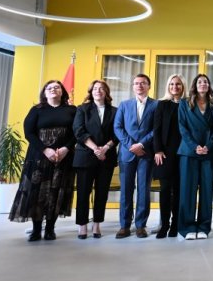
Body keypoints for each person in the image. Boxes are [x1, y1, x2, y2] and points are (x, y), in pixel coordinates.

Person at [9, 80, 77, 241]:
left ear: (62, 91)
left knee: (56, 192)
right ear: (45, 93)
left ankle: (50, 229)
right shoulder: (37, 110)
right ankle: (36, 229)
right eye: (49, 88)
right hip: (39, 157)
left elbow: (77, 132)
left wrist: (66, 148)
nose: (53, 89)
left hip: (63, 157)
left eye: (57, 87)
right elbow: (29, 133)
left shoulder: (72, 110)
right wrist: (45, 150)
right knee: (37, 192)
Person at [72, 80, 118, 239]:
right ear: (91, 92)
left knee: (102, 193)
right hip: (85, 156)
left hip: (106, 156)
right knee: (83, 193)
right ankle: (82, 225)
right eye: (95, 88)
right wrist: (95, 149)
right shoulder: (82, 109)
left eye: (102, 88)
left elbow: (117, 133)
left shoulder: (115, 111)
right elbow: (78, 131)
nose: (98, 91)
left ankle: (97, 224)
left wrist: (105, 148)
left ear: (106, 92)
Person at [113, 73, 157, 238]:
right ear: (133, 87)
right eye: (136, 83)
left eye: (143, 83)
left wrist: (141, 144)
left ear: (148, 86)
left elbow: (157, 129)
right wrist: (131, 145)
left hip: (146, 153)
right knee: (126, 190)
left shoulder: (156, 105)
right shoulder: (124, 105)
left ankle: (140, 225)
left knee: (144, 189)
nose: (139, 85)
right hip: (127, 153)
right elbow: (118, 127)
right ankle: (124, 225)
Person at [178, 74, 213, 240]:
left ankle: (204, 227)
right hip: (189, 152)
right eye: (200, 82)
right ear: (195, 85)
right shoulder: (184, 103)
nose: (203, 84)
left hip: (209, 152)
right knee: (187, 190)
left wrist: (208, 146)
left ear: (209, 86)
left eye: (205, 82)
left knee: (207, 191)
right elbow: (182, 128)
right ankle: (187, 227)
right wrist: (195, 147)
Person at [153, 74, 185, 238]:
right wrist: (157, 150)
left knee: (179, 190)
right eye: (172, 84)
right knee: (165, 190)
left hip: (183, 153)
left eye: (178, 84)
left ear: (183, 86)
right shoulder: (162, 104)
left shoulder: (187, 104)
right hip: (165, 154)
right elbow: (156, 129)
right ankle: (164, 225)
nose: (175, 87)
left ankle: (175, 224)